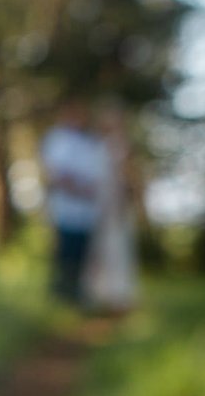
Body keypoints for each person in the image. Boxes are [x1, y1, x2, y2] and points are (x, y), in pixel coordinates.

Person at [39, 99, 110, 305]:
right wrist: (79, 190)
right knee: (66, 251)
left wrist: (91, 191)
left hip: (86, 208)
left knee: (82, 252)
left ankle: (78, 292)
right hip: (67, 206)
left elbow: (96, 174)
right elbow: (56, 174)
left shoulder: (88, 142)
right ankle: (62, 293)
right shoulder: (57, 139)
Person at [81, 104, 139, 314]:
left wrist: (121, 203)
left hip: (115, 205)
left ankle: (118, 296)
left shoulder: (119, 146)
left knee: (116, 250)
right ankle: (103, 296)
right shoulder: (100, 146)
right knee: (101, 251)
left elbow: (125, 178)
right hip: (100, 205)